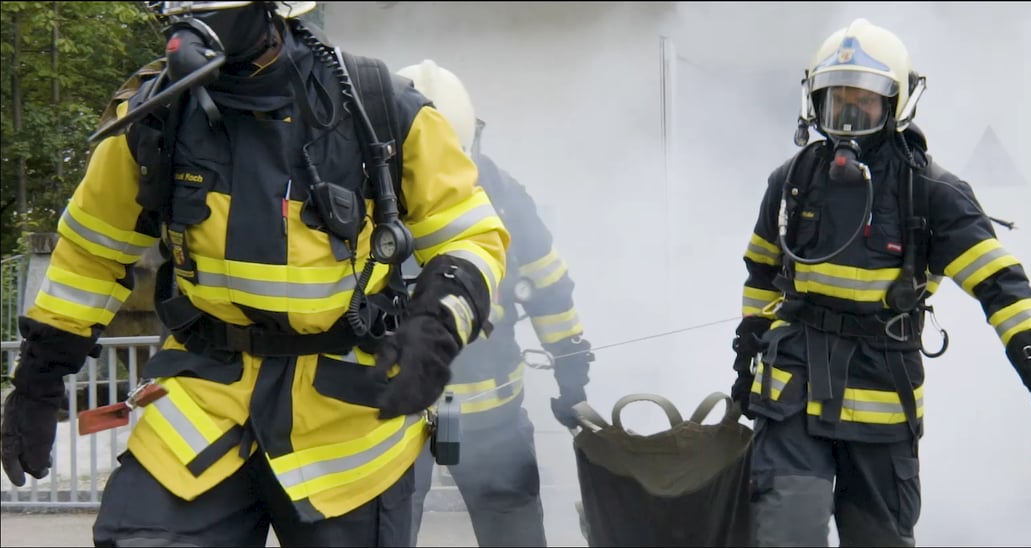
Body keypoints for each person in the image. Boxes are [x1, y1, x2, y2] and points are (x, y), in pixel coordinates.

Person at [0, 2, 509, 546]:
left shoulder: (379, 103)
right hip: (203, 407)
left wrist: (435, 329)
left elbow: (469, 237)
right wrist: (39, 377)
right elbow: (92, 254)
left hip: (346, 428)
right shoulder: (155, 115)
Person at [729, 18, 1031, 547]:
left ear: (897, 103)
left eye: (865, 101)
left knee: (878, 539)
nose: (849, 116)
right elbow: (761, 272)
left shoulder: (934, 194)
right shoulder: (791, 182)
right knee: (787, 526)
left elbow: (1004, 290)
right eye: (836, 101)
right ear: (813, 101)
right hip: (792, 387)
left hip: (882, 391)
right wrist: (749, 354)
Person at [393, 59, 596, 548]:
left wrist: (572, 375)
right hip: (396, 415)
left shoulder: (504, 197)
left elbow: (548, 287)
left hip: (483, 417)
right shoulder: (357, 200)